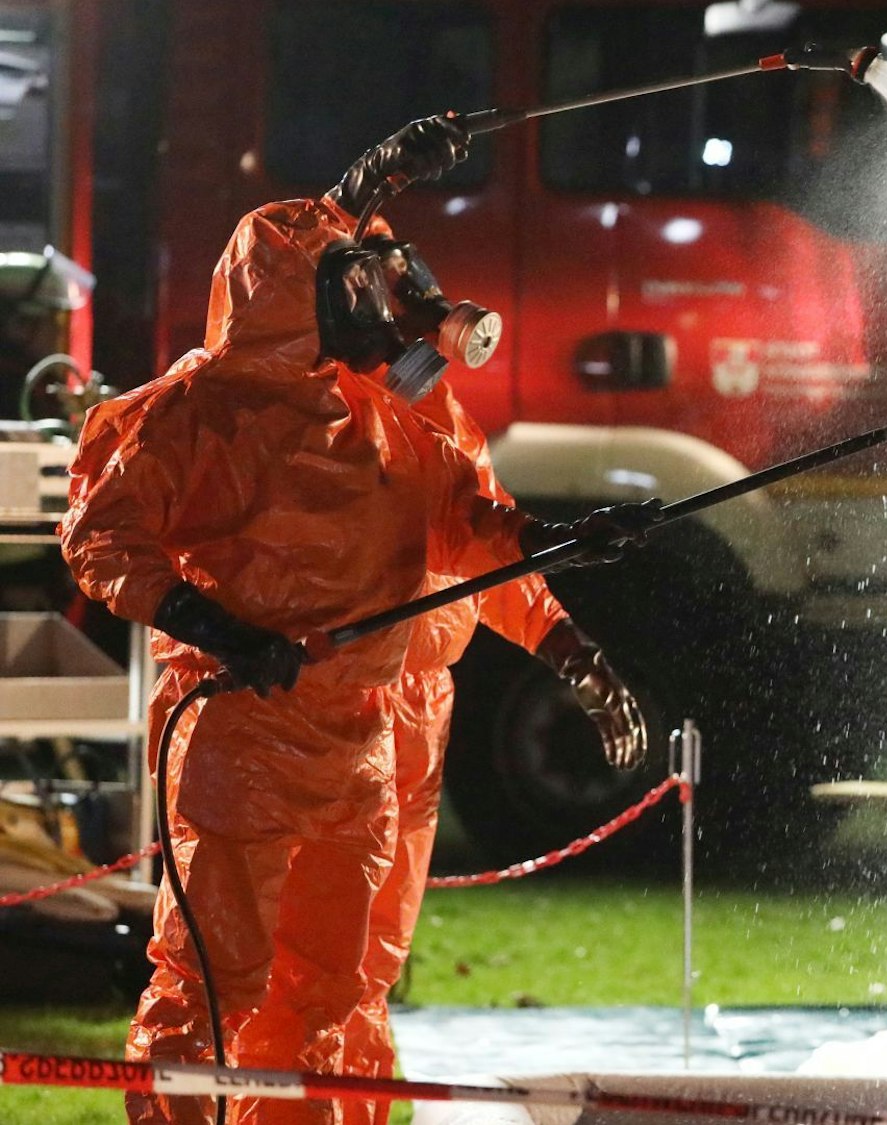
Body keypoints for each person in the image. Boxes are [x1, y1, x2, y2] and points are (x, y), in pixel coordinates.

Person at [60, 117, 651, 1124]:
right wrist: (220, 628)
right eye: (350, 276)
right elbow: (102, 539)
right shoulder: (196, 415)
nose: (379, 298)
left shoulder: (388, 425)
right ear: (293, 291)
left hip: (360, 750)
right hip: (242, 736)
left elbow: (479, 534)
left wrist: (572, 604)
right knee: (210, 989)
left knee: (329, 997)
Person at [341, 369, 648, 1124]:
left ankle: (346, 1109)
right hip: (299, 716)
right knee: (277, 963)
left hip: (407, 709)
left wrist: (569, 645)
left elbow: (474, 533)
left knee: (366, 961)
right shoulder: (284, 407)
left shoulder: (427, 412)